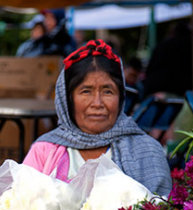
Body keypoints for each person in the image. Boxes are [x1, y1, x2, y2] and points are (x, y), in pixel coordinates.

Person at [23, 39, 172, 197]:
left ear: (121, 97)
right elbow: (21, 207)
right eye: (86, 91)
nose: (97, 103)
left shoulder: (147, 151)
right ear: (68, 99)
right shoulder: (44, 150)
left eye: (108, 91)